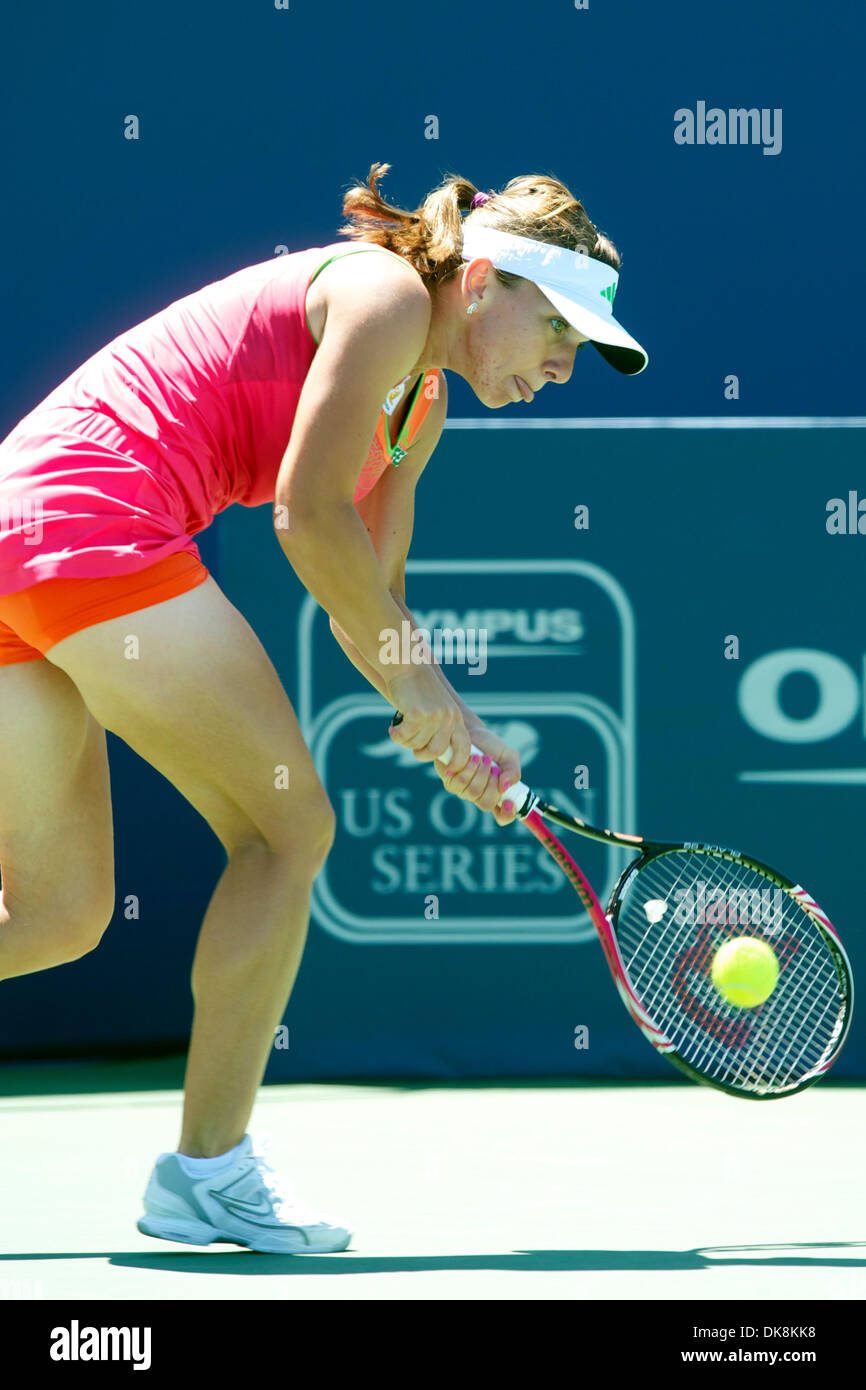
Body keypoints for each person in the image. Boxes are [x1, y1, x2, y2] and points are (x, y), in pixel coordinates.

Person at [0, 163, 647, 1254]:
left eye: (574, 351)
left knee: (58, 917)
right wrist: (423, 690)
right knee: (286, 829)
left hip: (30, 541)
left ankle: (205, 1172)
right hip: (92, 521)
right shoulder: (386, 296)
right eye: (555, 333)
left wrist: (457, 729)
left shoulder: (420, 409)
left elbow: (369, 605)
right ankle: (208, 1174)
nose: (559, 366)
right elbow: (305, 519)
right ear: (480, 282)